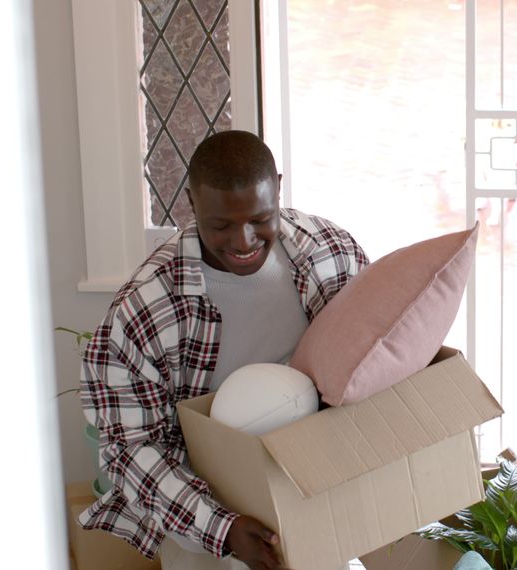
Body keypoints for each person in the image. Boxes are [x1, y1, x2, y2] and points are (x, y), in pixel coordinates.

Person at [78, 130, 369, 570]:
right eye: (222, 225)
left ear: (278, 188)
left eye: (259, 218)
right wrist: (224, 529)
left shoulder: (332, 254)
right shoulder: (143, 310)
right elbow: (130, 450)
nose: (244, 240)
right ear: (192, 204)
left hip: (315, 500)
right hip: (204, 528)